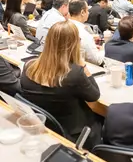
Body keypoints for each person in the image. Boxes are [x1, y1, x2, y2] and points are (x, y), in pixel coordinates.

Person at [20, 21, 102, 150]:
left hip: (45, 126)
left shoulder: (28, 67)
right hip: (75, 133)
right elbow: (95, 95)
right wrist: (83, 65)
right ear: (74, 44)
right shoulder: (75, 74)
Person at [69, 0, 105, 66]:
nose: (88, 13)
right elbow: (97, 60)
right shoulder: (84, 34)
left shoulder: (63, 25)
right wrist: (103, 49)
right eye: (87, 10)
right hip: (80, 69)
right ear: (82, 12)